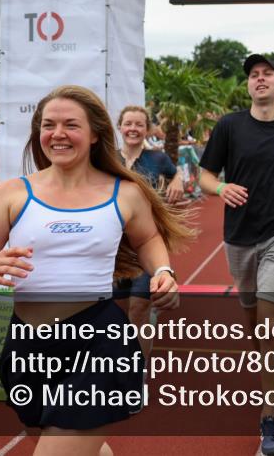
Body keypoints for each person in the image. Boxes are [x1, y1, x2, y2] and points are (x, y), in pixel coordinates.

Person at [0, 85, 194, 456]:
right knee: (68, 443)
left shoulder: (124, 193)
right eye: (48, 125)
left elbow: (149, 239)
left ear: (95, 133)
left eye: (71, 125)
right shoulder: (12, 193)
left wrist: (163, 271)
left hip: (99, 342)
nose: (58, 134)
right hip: (27, 345)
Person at [198, 54, 274, 456]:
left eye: (268, 74)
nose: (260, 78)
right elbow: (204, 176)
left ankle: (269, 418)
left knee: (270, 324)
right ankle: (267, 365)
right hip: (239, 235)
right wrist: (220, 188)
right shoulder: (229, 126)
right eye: (254, 75)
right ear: (248, 86)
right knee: (251, 316)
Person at [114, 104, 184, 362]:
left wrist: (176, 181)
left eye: (139, 124)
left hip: (144, 244)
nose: (133, 129)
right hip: (114, 247)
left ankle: (138, 372)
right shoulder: (108, 158)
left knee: (138, 309)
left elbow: (176, 174)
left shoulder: (158, 158)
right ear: (120, 127)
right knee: (117, 312)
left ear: (147, 129)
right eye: (128, 124)